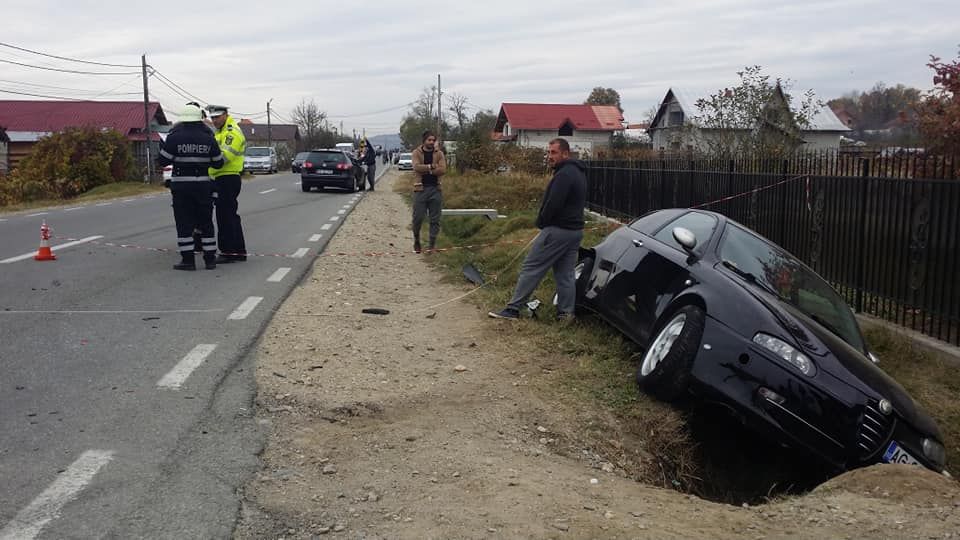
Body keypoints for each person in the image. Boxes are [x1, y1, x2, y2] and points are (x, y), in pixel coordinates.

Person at [489, 138, 586, 321]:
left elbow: (553, 203)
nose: (549, 156)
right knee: (565, 274)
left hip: (558, 230)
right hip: (575, 231)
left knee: (531, 267)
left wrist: (542, 222)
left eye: (554, 152)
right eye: (548, 152)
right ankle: (566, 314)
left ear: (565, 153)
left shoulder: (564, 174)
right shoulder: (578, 172)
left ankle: (513, 309)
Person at [157, 103, 224, 270]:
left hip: (181, 187)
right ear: (199, 119)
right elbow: (218, 163)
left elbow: (163, 160)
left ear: (183, 120)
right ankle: (210, 260)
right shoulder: (209, 138)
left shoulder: (174, 137)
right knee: (206, 223)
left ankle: (188, 260)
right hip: (203, 186)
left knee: (184, 223)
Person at [206, 104, 247, 263]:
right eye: (212, 118)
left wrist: (204, 161)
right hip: (221, 178)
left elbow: (223, 159)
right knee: (229, 215)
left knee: (225, 216)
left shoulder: (232, 133)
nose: (214, 120)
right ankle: (238, 251)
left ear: (225, 115)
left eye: (217, 117)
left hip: (227, 178)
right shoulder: (220, 132)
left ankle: (229, 252)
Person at [410, 130, 446, 253]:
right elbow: (416, 167)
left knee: (435, 219)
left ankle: (431, 245)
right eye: (429, 140)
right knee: (418, 218)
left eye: (433, 140)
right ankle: (416, 240)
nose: (431, 142)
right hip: (420, 189)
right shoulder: (416, 153)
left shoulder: (439, 154)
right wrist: (431, 167)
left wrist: (427, 169)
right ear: (424, 141)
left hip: (435, 189)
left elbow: (442, 170)